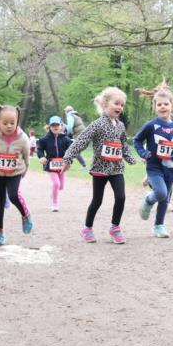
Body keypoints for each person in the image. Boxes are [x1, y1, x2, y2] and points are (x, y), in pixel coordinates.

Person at [60, 86, 137, 244]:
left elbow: (122, 144)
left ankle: (115, 228)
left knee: (121, 197)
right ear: (105, 104)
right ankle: (87, 228)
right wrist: (68, 158)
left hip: (116, 168)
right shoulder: (97, 125)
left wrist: (130, 158)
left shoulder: (121, 126)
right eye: (117, 103)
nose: (120, 107)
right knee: (97, 200)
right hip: (100, 169)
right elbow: (81, 141)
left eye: (122, 105)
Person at [134, 83, 173, 238]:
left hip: (171, 168)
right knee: (161, 193)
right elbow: (137, 140)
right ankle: (149, 200)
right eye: (159, 104)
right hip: (154, 167)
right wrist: (143, 153)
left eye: (166, 104)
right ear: (155, 107)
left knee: (166, 198)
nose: (163, 107)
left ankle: (159, 226)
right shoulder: (151, 125)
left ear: (172, 105)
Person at [0, 105, 33, 245]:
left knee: (13, 195)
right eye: (5, 123)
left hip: (15, 172)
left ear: (17, 121)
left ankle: (25, 214)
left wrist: (25, 169)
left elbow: (26, 155)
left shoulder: (22, 138)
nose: (9, 126)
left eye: (12, 122)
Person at [37, 116, 72, 211]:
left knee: (61, 186)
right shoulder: (44, 139)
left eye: (57, 124)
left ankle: (53, 193)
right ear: (49, 127)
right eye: (53, 125)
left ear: (61, 126)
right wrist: (41, 157)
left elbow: (71, 152)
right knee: (56, 184)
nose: (55, 126)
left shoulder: (66, 139)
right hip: (51, 165)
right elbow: (40, 149)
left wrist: (69, 161)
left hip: (63, 165)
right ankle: (54, 204)